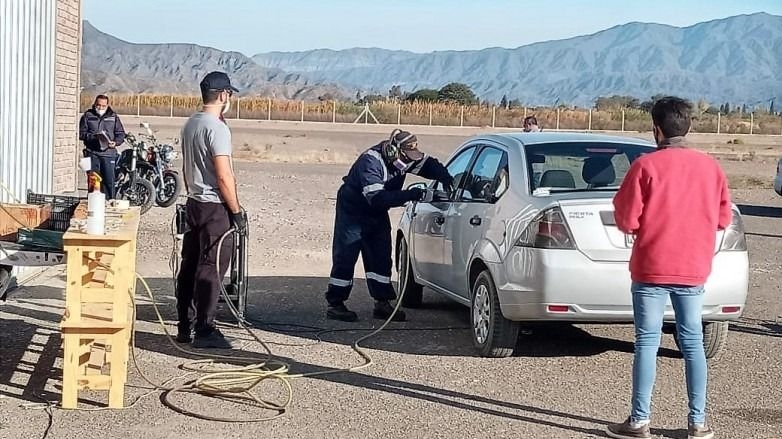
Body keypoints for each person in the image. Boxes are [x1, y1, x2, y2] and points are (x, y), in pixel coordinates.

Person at [608, 96, 731, 439]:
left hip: (651, 266)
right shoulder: (710, 168)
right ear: (688, 126)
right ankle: (698, 422)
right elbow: (723, 218)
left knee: (647, 341)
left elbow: (626, 218)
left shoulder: (645, 166)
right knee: (692, 342)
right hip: (693, 267)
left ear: (656, 130)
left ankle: (639, 420)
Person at [325, 129, 453, 322]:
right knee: (346, 255)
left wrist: (445, 177)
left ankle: (382, 303)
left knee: (381, 255)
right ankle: (335, 304)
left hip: (377, 214)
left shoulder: (405, 158)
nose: (408, 161)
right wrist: (412, 194)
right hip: (354, 212)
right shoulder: (370, 162)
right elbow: (378, 198)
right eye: (406, 156)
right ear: (394, 151)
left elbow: (427, 164)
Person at [175, 71, 246, 349]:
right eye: (229, 93)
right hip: (214, 206)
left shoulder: (191, 123)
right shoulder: (217, 128)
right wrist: (236, 211)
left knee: (190, 264)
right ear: (223, 95)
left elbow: (186, 167)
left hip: (194, 202)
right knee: (211, 266)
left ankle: (185, 324)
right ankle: (205, 329)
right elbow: (224, 176)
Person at [79, 95, 126, 199]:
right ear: (95, 104)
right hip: (92, 153)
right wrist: (93, 137)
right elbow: (81, 133)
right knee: (94, 181)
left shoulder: (113, 117)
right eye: (98, 105)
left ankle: (109, 202)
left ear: (107, 105)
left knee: (109, 181)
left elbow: (121, 134)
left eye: (103, 106)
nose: (100, 108)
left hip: (108, 154)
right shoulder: (87, 116)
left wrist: (115, 142)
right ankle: (93, 202)